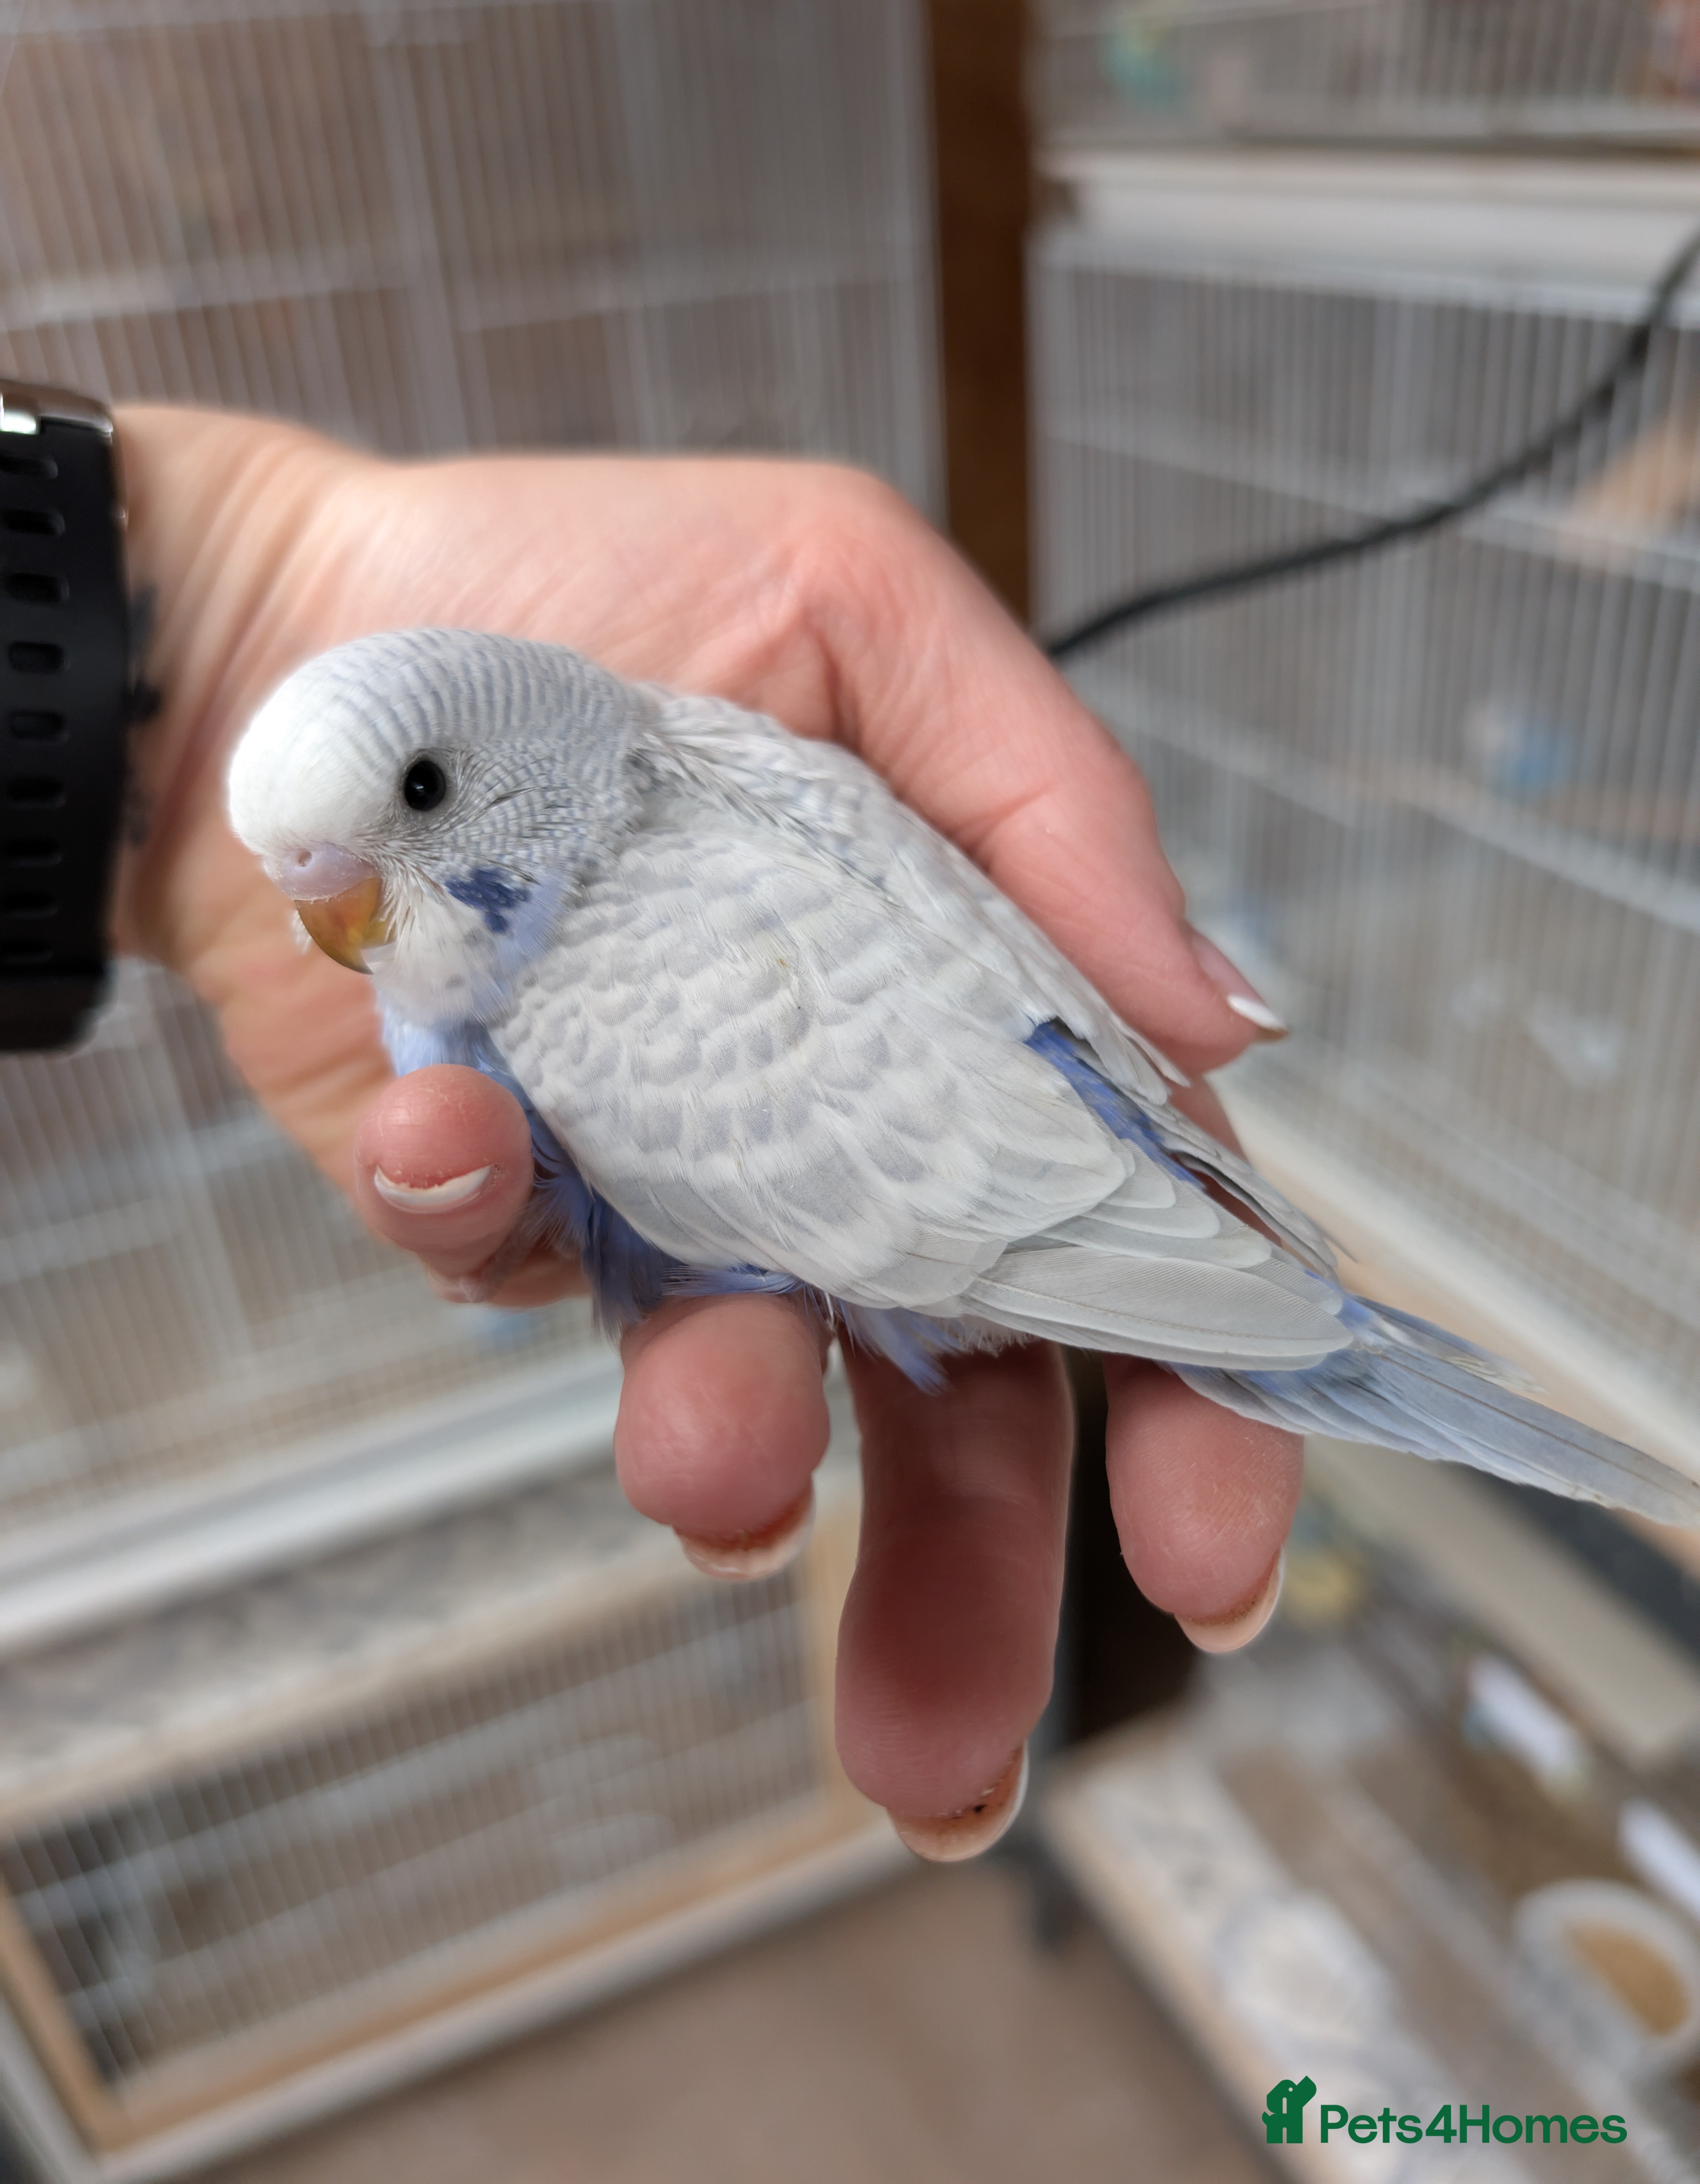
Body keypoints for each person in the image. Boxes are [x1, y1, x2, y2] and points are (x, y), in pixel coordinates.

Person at [113, 403, 1299, 1857]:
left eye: (420, 795)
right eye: (301, 879)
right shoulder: (523, 908)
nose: (334, 918)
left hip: (997, 1180)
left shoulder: (608, 949)